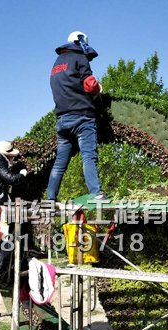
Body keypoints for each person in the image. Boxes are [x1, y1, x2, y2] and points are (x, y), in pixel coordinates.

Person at [47, 31, 106, 202]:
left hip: (62, 120)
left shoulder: (56, 64)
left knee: (59, 163)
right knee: (88, 156)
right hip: (82, 116)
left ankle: (50, 199)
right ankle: (96, 193)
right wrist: (99, 89)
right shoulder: (80, 57)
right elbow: (89, 85)